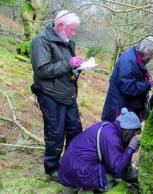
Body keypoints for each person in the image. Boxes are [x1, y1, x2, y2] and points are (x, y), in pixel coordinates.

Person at [30, 10, 83, 181]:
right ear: (60, 25)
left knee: (75, 130)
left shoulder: (68, 41)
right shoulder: (41, 41)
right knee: (55, 133)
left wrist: (77, 68)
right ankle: (52, 169)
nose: (73, 34)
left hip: (68, 94)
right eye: (71, 30)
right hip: (50, 95)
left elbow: (68, 68)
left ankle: (69, 163)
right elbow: (42, 70)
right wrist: (68, 64)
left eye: (75, 30)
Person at [58, 107, 141, 193]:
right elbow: (117, 170)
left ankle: (76, 186)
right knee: (107, 186)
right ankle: (95, 188)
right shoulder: (111, 138)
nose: (135, 136)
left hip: (70, 165)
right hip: (78, 170)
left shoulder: (109, 127)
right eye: (134, 133)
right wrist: (131, 147)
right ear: (128, 131)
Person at [101, 36, 153, 122]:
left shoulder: (137, 56)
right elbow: (128, 87)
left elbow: (135, 77)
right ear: (146, 50)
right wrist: (148, 84)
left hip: (125, 107)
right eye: (152, 53)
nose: (152, 57)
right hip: (118, 110)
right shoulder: (129, 61)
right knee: (114, 133)